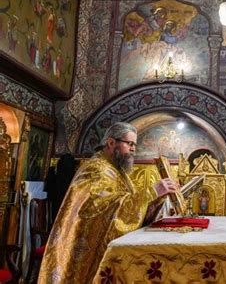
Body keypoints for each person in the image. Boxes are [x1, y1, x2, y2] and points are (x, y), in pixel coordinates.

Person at [38, 122, 179, 284]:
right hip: (86, 248)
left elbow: (126, 201)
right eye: (130, 144)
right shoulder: (96, 169)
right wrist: (151, 192)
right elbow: (102, 209)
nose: (133, 149)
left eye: (135, 145)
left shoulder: (115, 169)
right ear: (111, 143)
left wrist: (157, 198)